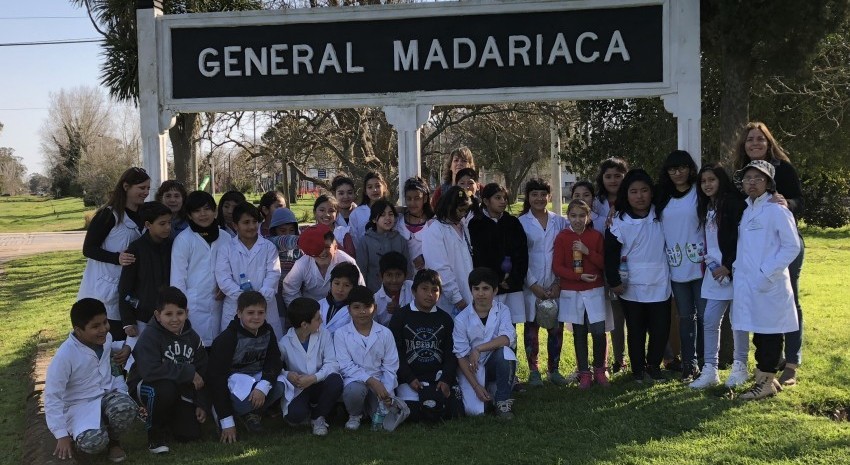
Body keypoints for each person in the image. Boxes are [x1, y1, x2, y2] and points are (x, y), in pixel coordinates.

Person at [733, 122, 805, 386]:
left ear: (768, 142)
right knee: (762, 310)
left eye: (760, 139)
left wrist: (787, 203)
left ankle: (791, 363)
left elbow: (799, 200)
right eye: (749, 139)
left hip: (781, 243)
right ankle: (769, 364)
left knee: (785, 304)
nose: (754, 143)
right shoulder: (744, 177)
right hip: (756, 250)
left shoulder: (782, 169)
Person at [45, 298, 137, 463]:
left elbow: (109, 357)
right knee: (93, 443)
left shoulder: (105, 338)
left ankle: (114, 442)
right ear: (78, 330)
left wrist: (125, 348)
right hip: (78, 405)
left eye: (105, 322)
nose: (103, 329)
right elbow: (52, 396)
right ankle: (78, 438)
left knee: (126, 407)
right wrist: (61, 434)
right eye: (95, 326)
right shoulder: (64, 356)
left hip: (106, 395)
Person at [604, 169, 672, 383]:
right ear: (626, 194)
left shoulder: (661, 213)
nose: (640, 196)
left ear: (652, 193)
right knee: (636, 329)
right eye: (634, 191)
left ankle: (654, 366)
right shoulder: (618, 221)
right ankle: (637, 370)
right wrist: (614, 281)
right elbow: (611, 254)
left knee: (660, 328)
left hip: (660, 281)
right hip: (631, 285)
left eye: (644, 190)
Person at [127, 287, 208, 454]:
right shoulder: (150, 335)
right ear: (158, 315)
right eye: (168, 314)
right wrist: (188, 372)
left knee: (190, 435)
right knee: (165, 388)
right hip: (146, 386)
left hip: (179, 390)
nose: (175, 319)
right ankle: (154, 434)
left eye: (179, 313)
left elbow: (202, 372)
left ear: (186, 312)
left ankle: (169, 420)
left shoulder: (193, 337)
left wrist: (201, 403)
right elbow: (150, 370)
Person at [689, 164, 749, 389]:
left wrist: (729, 265)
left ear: (721, 180)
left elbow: (742, 239)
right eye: (703, 181)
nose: (707, 184)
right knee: (710, 320)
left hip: (734, 271)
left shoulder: (734, 204)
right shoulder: (707, 207)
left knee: (738, 322)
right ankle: (710, 370)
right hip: (714, 275)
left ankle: (740, 367)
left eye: (711, 179)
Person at [78, 167, 149, 342]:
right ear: (126, 187)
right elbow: (88, 248)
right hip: (104, 290)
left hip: (130, 291)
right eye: (141, 188)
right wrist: (116, 258)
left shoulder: (144, 215)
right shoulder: (108, 215)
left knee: (127, 344)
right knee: (108, 340)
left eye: (148, 188)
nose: (146, 192)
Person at [656, 150, 706, 382]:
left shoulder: (700, 192)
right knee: (685, 317)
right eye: (672, 169)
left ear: (690, 169)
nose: (677, 173)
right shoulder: (662, 196)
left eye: (682, 168)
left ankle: (709, 365)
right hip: (676, 266)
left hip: (703, 265)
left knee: (706, 316)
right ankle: (689, 364)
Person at [207, 291, 284, 442]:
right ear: (239, 313)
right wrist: (227, 422)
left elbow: (274, 360)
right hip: (232, 386)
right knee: (239, 398)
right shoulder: (227, 339)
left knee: (280, 386)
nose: (256, 317)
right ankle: (228, 413)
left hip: (257, 380)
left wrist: (263, 385)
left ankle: (251, 413)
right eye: (250, 312)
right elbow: (217, 379)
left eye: (260, 312)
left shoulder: (268, 331)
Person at [389, 269, 459, 422]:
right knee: (411, 411)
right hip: (411, 380)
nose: (430, 294)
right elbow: (395, 353)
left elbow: (451, 353)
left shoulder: (445, 319)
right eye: (424, 289)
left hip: (437, 378)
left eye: (435, 290)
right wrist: (409, 377)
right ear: (414, 291)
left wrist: (446, 379)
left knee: (456, 410)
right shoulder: (400, 317)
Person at [553, 199, 610, 389]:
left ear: (588, 217)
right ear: (567, 216)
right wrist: (577, 277)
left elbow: (604, 264)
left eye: (582, 216)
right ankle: (584, 373)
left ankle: (600, 370)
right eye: (573, 216)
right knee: (579, 333)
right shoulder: (562, 237)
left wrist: (587, 251)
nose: (577, 220)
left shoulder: (595, 236)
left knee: (598, 332)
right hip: (573, 291)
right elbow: (557, 267)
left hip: (594, 291)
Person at [518, 178, 569, 386]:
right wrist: (532, 285)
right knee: (532, 329)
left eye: (543, 194)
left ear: (550, 196)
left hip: (555, 283)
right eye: (534, 194)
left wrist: (558, 282)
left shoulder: (560, 221)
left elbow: (564, 253)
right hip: (531, 284)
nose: (539, 198)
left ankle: (554, 369)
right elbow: (519, 256)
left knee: (555, 328)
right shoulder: (521, 223)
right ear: (528, 197)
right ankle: (534, 371)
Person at [453, 268, 517, 419]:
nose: (480, 293)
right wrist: (476, 386)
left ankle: (502, 402)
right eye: (476, 289)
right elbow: (461, 356)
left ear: (495, 291)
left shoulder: (503, 310)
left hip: (494, 363)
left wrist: (478, 349)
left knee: (506, 354)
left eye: (485, 288)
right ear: (471, 290)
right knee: (474, 411)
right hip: (471, 369)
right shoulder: (461, 319)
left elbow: (507, 338)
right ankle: (488, 391)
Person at [334, 285, 399, 431]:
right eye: (356, 307)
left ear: (375, 308)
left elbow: (391, 365)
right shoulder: (341, 333)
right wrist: (372, 382)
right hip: (355, 380)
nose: (362, 312)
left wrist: (386, 390)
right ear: (349, 310)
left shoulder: (385, 333)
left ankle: (370, 409)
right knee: (355, 391)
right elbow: (345, 366)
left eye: (367, 307)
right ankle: (354, 415)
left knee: (385, 423)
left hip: (381, 381)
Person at [171, 191, 230, 347]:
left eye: (207, 209)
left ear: (215, 211)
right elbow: (178, 279)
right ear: (189, 216)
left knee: (220, 346)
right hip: (193, 305)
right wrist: (180, 309)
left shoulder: (226, 238)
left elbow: (234, 268)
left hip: (221, 303)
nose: (203, 214)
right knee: (196, 348)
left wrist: (226, 287)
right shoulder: (183, 240)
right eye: (197, 211)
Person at [277, 297, 343, 436]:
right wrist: (287, 374)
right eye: (318, 318)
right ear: (305, 325)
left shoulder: (324, 334)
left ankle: (317, 417)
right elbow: (275, 368)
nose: (322, 321)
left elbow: (332, 363)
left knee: (336, 381)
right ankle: (316, 410)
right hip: (300, 387)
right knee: (294, 416)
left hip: (320, 383)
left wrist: (314, 378)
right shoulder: (284, 343)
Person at [215, 201, 283, 336]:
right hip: (235, 306)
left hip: (265, 306)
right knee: (234, 349)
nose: (252, 226)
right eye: (246, 222)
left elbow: (273, 274)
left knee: (268, 348)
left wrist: (259, 299)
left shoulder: (268, 247)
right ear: (235, 225)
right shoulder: (226, 249)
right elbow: (223, 278)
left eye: (254, 221)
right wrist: (244, 298)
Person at [468, 182, 528, 327]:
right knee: (489, 327)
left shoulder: (512, 223)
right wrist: (494, 279)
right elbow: (479, 256)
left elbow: (522, 253)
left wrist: (514, 277)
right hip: (488, 286)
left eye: (504, 198)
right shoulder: (476, 224)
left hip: (511, 286)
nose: (503, 201)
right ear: (486, 201)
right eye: (498, 198)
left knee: (509, 329)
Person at [594, 157, 629, 374]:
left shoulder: (632, 197)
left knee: (636, 312)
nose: (613, 180)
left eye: (618, 175)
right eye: (608, 176)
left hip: (630, 262)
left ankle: (663, 357)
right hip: (602, 264)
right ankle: (618, 359)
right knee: (615, 316)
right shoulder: (596, 202)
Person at [118, 201, 173, 339]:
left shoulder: (173, 245)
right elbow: (125, 287)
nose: (167, 227)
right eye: (162, 224)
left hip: (169, 316)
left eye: (169, 222)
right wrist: (128, 321)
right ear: (148, 225)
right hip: (142, 318)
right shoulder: (136, 249)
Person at [421, 186, 474, 316]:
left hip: (468, 295)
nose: (463, 214)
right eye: (460, 210)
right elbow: (440, 269)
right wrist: (458, 299)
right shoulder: (435, 230)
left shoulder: (463, 227)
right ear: (448, 206)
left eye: (465, 211)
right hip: (449, 301)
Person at [282, 224, 363, 305]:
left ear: (335, 248)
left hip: (341, 308)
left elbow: (359, 290)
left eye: (327, 247)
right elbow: (290, 291)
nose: (322, 252)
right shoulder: (302, 263)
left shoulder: (347, 262)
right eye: (317, 247)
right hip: (311, 308)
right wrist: (301, 312)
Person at [356, 200, 410, 292]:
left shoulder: (401, 240)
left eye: (391, 214)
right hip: (374, 293)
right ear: (373, 219)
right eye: (382, 215)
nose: (388, 218)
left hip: (400, 294)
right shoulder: (365, 241)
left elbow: (408, 269)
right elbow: (361, 271)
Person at [397, 177, 434, 274]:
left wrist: (424, 257)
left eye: (417, 198)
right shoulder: (398, 221)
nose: (412, 203)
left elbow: (442, 249)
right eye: (409, 199)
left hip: (428, 277)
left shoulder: (433, 223)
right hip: (403, 277)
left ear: (425, 198)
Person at [373, 251, 414, 326]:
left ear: (406, 275)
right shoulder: (376, 300)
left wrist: (400, 311)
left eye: (398, 275)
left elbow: (421, 316)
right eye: (389, 275)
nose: (394, 280)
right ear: (381, 276)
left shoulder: (413, 289)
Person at [319, 262, 360, 334]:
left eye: (346, 285)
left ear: (354, 287)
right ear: (331, 283)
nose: (340, 289)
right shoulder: (319, 305)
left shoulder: (355, 311)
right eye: (337, 283)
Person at [349, 171, 390, 245]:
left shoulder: (391, 212)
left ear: (384, 187)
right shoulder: (356, 213)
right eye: (370, 187)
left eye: (377, 186)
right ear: (365, 191)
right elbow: (354, 239)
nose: (374, 190)